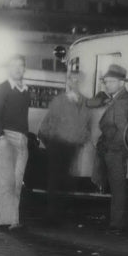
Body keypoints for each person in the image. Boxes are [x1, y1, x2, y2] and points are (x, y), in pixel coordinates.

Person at [38, 70, 92, 225]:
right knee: (55, 181)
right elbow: (47, 124)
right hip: (58, 146)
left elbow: (87, 125)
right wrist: (52, 145)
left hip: (73, 148)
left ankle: (62, 215)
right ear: (68, 82)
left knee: (69, 181)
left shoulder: (85, 102)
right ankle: (52, 216)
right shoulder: (58, 101)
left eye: (78, 80)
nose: (75, 82)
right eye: (72, 79)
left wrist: (82, 140)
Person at [88, 64, 128, 233]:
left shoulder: (122, 102)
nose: (106, 85)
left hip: (115, 151)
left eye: (110, 81)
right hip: (114, 149)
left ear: (121, 82)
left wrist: (110, 147)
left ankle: (118, 224)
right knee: (117, 187)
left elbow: (123, 130)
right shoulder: (118, 98)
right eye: (105, 81)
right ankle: (117, 222)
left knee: (118, 188)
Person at [0, 54, 32, 231]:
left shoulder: (25, 91)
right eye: (14, 65)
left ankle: (13, 221)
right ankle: (4, 221)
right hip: (5, 137)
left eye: (20, 65)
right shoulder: (1, 89)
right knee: (6, 181)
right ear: (8, 68)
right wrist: (1, 138)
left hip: (21, 140)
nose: (17, 68)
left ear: (24, 68)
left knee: (17, 181)